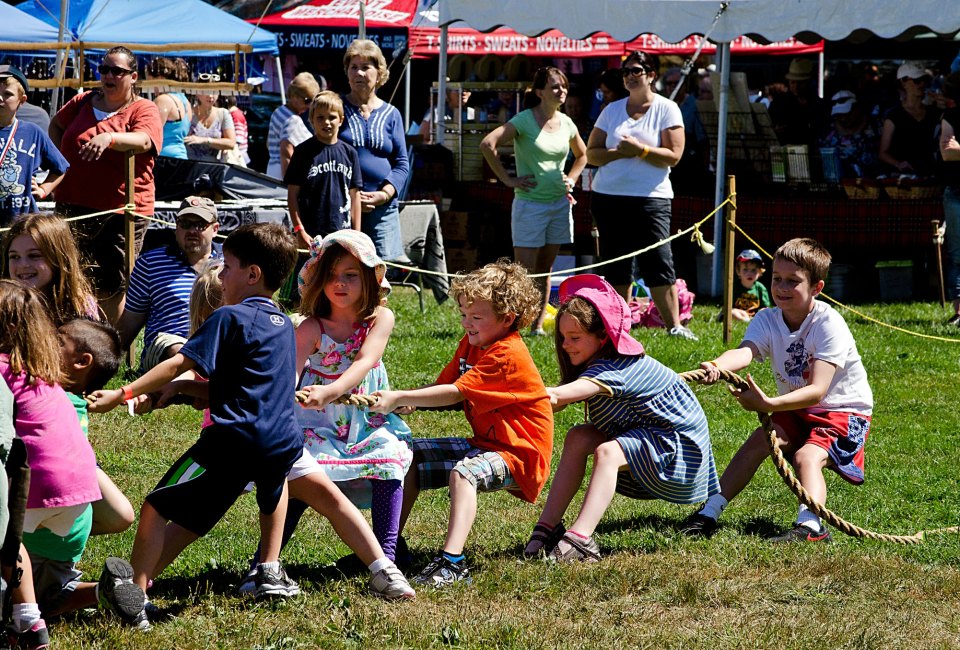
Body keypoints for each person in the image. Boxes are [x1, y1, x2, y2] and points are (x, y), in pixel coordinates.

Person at [149, 250, 414, 601]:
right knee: (187, 519)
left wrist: (177, 387)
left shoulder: (270, 328)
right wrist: (160, 388)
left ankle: (381, 570)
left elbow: (261, 386)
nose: (340, 283)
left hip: (277, 439)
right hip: (243, 442)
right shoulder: (251, 327)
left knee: (325, 499)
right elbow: (223, 384)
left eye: (228, 268)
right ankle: (138, 582)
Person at [87, 223, 305, 629]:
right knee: (252, 498)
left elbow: (178, 360)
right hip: (281, 443)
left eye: (228, 268)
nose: (220, 277)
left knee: (155, 507)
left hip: (232, 442)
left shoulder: (229, 316)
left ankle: (131, 604)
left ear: (252, 274)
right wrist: (185, 392)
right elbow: (247, 388)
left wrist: (124, 393)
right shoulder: (281, 325)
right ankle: (269, 569)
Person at [371, 260, 553, 587]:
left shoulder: (506, 353)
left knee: (464, 472)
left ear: (507, 319)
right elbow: (444, 385)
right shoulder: (472, 342)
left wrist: (398, 396)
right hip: (486, 444)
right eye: (463, 315)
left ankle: (452, 562)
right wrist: (411, 399)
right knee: (407, 454)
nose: (467, 323)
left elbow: (455, 394)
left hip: (519, 454)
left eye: (476, 317)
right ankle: (390, 547)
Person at [681, 238, 874, 543]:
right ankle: (709, 513)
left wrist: (768, 402)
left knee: (806, 458)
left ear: (817, 288)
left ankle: (812, 526)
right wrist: (717, 364)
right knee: (757, 443)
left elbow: (817, 391)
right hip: (796, 407)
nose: (781, 288)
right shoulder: (767, 319)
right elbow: (746, 352)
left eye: (793, 281)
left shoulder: (828, 324)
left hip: (841, 410)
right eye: (776, 279)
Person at [523, 274, 719, 561]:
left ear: (603, 336)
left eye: (575, 338)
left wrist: (511, 392)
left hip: (680, 454)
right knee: (578, 437)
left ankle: (580, 540)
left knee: (608, 452)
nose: (565, 344)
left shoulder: (616, 367)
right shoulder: (594, 361)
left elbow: (557, 397)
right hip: (646, 435)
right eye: (563, 337)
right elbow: (556, 403)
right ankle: (547, 527)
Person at [0, 281, 102, 648]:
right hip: (82, 499)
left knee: (6, 541)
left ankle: (26, 618)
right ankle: (71, 591)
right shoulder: (45, 377)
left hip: (38, 487)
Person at [20, 318, 136, 627]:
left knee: (25, 597)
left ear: (81, 362)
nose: (47, 342)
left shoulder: (42, 397)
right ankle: (105, 590)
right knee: (54, 592)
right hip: (71, 532)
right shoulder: (76, 405)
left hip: (38, 533)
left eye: (58, 342)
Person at [49, 46, 163, 323]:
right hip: (72, 202)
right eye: (104, 69)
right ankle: (75, 336)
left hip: (120, 210)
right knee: (68, 274)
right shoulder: (83, 101)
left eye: (117, 71)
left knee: (112, 283)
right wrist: (62, 159)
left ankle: (113, 349)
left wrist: (110, 138)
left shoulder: (143, 108)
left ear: (133, 76)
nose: (108, 75)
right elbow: (56, 127)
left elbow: (145, 141)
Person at [587, 51, 695, 340]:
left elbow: (674, 155)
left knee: (658, 259)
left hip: (651, 198)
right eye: (625, 72)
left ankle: (674, 325)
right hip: (608, 197)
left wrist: (642, 151)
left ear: (651, 75)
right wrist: (615, 153)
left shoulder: (667, 109)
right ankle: (618, 326)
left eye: (636, 70)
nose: (630, 76)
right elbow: (592, 153)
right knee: (616, 262)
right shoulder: (612, 109)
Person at [481, 66, 587, 335]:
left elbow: (583, 155)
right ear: (539, 92)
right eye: (554, 86)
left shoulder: (567, 122)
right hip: (530, 204)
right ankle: (514, 324)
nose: (561, 90)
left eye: (563, 85)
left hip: (559, 205)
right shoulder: (524, 120)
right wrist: (508, 179)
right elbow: (487, 144)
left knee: (545, 268)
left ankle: (536, 326)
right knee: (523, 272)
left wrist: (572, 179)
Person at [115, 196, 221, 373]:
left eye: (200, 225)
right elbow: (130, 321)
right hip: (167, 346)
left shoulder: (230, 262)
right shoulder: (151, 262)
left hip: (215, 345)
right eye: (185, 224)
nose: (192, 231)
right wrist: (107, 359)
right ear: (176, 227)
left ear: (215, 229)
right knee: (178, 350)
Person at [339, 39, 410, 262]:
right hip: (342, 206)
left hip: (382, 208)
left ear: (379, 73)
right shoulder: (335, 108)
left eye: (366, 67)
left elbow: (401, 163)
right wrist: (350, 196)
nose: (359, 73)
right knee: (344, 266)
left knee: (379, 273)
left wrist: (383, 194)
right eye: (354, 67)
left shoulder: (392, 114)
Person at [285, 91, 362, 249]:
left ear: (341, 120)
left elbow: (355, 196)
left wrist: (357, 234)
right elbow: (292, 195)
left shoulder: (350, 153)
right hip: (311, 236)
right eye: (320, 117)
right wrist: (299, 230)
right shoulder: (302, 152)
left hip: (343, 234)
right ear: (312, 120)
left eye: (332, 117)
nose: (326, 122)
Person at [2, 213, 100, 325]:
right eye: (14, 257)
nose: (23, 264)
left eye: (34, 255)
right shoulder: (4, 307)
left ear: (58, 258)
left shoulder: (80, 307)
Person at [0, 65, 68, 225]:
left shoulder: (32, 132)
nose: (0, 98)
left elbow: (61, 168)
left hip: (20, 221)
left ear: (21, 101)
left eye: (7, 94)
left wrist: (44, 189)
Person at [878, 62, 940, 178]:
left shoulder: (933, 112)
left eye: (924, 80)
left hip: (930, 176)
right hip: (905, 179)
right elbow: (882, 153)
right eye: (917, 80)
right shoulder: (894, 115)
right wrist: (898, 164)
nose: (922, 84)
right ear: (903, 82)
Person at [660, 66, 710, 194]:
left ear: (684, 85)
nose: (672, 87)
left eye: (676, 83)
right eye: (669, 83)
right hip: (667, 167)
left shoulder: (694, 105)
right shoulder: (662, 106)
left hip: (690, 165)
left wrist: (703, 170)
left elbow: (702, 141)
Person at [267, 72, 321, 179]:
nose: (309, 106)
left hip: (272, 169)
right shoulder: (292, 120)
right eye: (307, 100)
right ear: (294, 96)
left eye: (312, 101)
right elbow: (286, 154)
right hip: (284, 174)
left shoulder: (279, 111)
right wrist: (290, 184)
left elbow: (268, 144)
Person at [819, 90, 881, 179]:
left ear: (856, 109)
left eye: (847, 114)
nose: (843, 119)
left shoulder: (875, 127)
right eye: (839, 116)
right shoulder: (828, 134)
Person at [768, 58, 829, 147]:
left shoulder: (819, 104)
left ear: (809, 82)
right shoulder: (779, 103)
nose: (796, 87)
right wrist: (775, 131)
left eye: (800, 83)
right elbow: (768, 127)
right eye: (792, 82)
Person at [940, 72, 960, 325]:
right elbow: (947, 154)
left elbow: (955, 151)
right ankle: (959, 311)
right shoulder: (950, 117)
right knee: (957, 254)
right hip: (956, 192)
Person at [150, 56, 192, 160]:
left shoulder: (163, 100)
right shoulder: (185, 101)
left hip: (164, 161)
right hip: (181, 158)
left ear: (159, 79)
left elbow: (150, 134)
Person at [185, 83, 237, 163]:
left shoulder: (223, 114)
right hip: (189, 167)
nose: (210, 95)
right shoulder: (187, 113)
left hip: (214, 170)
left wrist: (205, 140)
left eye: (214, 91)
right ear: (197, 93)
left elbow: (231, 143)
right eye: (206, 91)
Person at [729, 249, 772, 322]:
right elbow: (728, 306)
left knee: (765, 314)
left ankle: (750, 320)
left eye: (753, 270)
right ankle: (746, 320)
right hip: (739, 313)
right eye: (745, 270)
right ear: (738, 271)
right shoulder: (734, 287)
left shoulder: (760, 288)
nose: (749, 273)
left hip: (755, 315)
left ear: (760, 272)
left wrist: (761, 312)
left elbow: (765, 307)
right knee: (731, 312)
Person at [221, 95, 250, 165]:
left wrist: (226, 147)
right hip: (237, 154)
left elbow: (238, 139)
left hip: (237, 156)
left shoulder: (235, 115)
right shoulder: (235, 114)